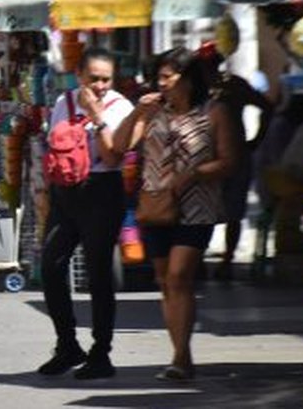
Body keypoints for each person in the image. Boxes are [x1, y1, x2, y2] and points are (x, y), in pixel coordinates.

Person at [113, 48, 235, 381]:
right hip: (156, 206)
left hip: (198, 208)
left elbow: (229, 161)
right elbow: (120, 147)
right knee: (166, 281)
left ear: (188, 78)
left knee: (181, 276)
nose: (162, 84)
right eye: (159, 77)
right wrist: (137, 112)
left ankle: (181, 357)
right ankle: (181, 353)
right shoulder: (153, 113)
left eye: (168, 77)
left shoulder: (214, 112)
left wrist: (195, 174)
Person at [37, 47, 135, 380]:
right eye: (94, 78)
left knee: (98, 274)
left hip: (102, 191)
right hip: (66, 195)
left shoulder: (121, 108)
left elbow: (112, 158)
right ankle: (67, 344)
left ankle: (101, 352)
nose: (101, 85)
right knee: (50, 266)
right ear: (79, 75)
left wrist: (97, 117)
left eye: (106, 79)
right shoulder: (63, 103)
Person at [198, 46, 274, 280]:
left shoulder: (232, 85)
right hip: (207, 157)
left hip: (235, 156)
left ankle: (226, 260)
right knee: (204, 210)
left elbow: (267, 107)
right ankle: (203, 259)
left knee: (231, 211)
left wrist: (257, 140)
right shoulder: (197, 89)